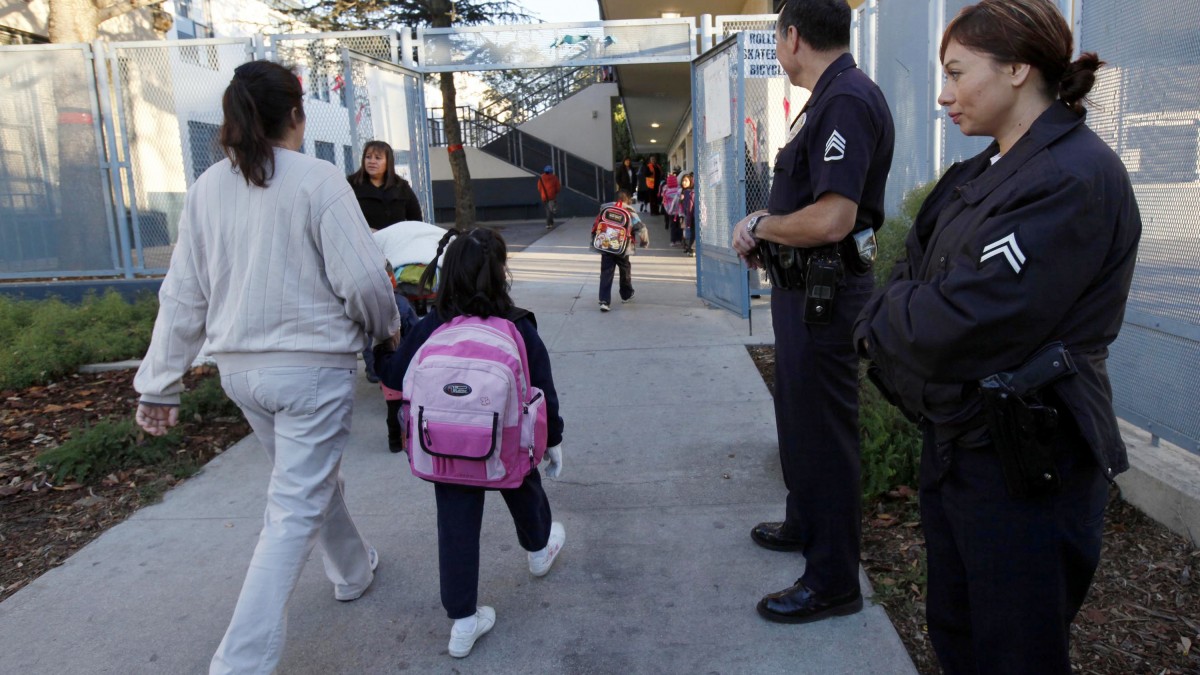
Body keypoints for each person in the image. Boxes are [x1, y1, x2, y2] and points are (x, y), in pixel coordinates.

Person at [854, 1, 1141, 671]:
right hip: (960, 450)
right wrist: (896, 308)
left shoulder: (1072, 177)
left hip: (1026, 469)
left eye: (957, 73)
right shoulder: (977, 173)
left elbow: (960, 324)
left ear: (1017, 68)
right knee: (957, 634)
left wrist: (889, 313)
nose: (945, 94)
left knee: (1016, 652)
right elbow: (907, 273)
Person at [132, 61, 401, 674]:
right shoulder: (319, 179)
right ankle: (240, 663)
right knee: (292, 508)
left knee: (303, 485)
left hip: (241, 374)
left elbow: (183, 296)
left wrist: (160, 382)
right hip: (310, 369)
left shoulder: (205, 189)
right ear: (296, 116)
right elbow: (363, 279)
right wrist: (383, 326)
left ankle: (352, 571)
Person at [730, 0, 895, 624]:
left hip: (826, 300)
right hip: (805, 295)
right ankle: (805, 522)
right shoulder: (829, 98)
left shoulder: (846, 100)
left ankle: (832, 582)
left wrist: (763, 223)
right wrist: (769, 236)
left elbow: (833, 217)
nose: (777, 48)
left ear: (793, 36)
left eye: (777, 37)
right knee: (800, 419)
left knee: (825, 436)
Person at [376, 227, 567, 659]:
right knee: (523, 484)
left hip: (446, 449)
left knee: (456, 525)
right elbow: (543, 391)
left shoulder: (432, 326)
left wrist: (380, 348)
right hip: (504, 449)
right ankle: (539, 550)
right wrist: (553, 438)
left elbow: (392, 376)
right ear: (500, 274)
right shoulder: (518, 326)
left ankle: (463, 623)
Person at [348, 139, 423, 230]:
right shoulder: (351, 185)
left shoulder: (401, 186)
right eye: (368, 157)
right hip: (364, 241)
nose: (372, 161)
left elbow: (416, 220)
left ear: (388, 161)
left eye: (378, 158)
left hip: (396, 240)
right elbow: (344, 218)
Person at [594, 190, 649, 312]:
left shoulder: (605, 209)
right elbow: (641, 228)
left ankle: (604, 300)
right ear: (627, 200)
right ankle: (626, 295)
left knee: (606, 272)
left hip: (606, 246)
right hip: (623, 249)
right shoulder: (629, 211)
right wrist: (644, 242)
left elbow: (596, 225)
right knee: (625, 270)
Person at [537, 165, 561, 229]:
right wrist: (555, 192)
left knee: (548, 210)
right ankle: (549, 223)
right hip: (552, 196)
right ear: (551, 171)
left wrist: (543, 193)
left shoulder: (541, 178)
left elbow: (539, 188)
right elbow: (558, 188)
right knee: (550, 210)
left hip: (544, 196)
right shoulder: (554, 178)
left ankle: (551, 222)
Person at [680, 172, 696, 256]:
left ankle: (691, 248)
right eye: (683, 181)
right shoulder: (684, 192)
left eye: (686, 181)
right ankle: (689, 247)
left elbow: (690, 206)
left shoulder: (689, 193)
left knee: (691, 232)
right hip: (686, 215)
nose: (683, 182)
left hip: (691, 216)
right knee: (687, 232)